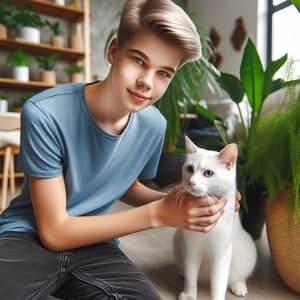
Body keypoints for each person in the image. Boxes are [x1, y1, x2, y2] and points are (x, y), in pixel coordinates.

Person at [0, 0, 230, 299]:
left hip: (96, 241)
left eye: (163, 73)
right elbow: (54, 232)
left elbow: (126, 185)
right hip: (29, 234)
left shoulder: (153, 125)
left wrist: (181, 201)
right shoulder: (45, 113)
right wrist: (159, 214)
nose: (146, 82)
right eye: (138, 60)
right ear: (113, 51)